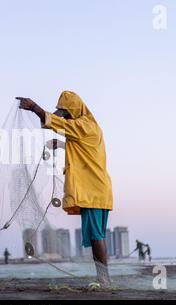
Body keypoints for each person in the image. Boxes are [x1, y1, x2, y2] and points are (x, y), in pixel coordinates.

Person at [17, 91, 113, 286]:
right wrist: (61, 144)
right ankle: (103, 277)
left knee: (96, 235)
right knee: (97, 235)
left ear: (75, 111)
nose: (66, 118)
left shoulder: (85, 125)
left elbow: (62, 125)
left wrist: (34, 107)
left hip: (92, 190)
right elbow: (80, 144)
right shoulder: (88, 128)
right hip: (97, 189)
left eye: (67, 114)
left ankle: (104, 279)